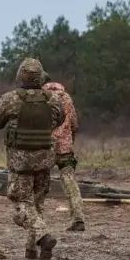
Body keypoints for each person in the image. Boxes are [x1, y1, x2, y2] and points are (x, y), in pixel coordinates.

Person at [0, 58, 66, 259]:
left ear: (20, 76)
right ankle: (32, 250)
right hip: (44, 160)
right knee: (37, 203)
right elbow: (61, 119)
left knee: (21, 205)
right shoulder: (54, 99)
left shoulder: (10, 99)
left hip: (20, 162)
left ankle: (43, 236)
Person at [42, 79, 85, 231]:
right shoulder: (66, 98)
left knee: (40, 181)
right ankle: (78, 218)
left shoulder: (42, 97)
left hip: (45, 146)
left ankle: (38, 221)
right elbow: (74, 124)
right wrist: (69, 139)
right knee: (70, 182)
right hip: (65, 147)